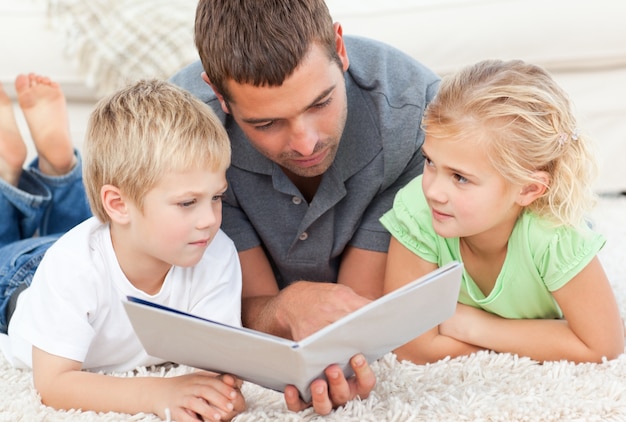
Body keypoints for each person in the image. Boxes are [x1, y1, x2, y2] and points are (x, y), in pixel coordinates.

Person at [170, 0, 440, 413]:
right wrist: (286, 306)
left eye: (320, 103)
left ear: (340, 47)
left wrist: (333, 352)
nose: (305, 143)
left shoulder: (414, 116)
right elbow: (236, 308)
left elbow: (353, 313)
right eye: (266, 124)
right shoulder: (187, 132)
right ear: (218, 94)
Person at [0, 75, 246, 422]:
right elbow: (53, 385)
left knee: (80, 229)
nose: (209, 219)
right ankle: (14, 172)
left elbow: (215, 368)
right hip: (20, 278)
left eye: (216, 197)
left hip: (112, 237)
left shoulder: (215, 254)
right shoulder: (72, 267)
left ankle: (58, 170)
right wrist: (156, 392)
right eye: (188, 202)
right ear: (117, 204)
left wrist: (217, 395)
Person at [380, 59, 625, 365]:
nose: (433, 191)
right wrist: (542, 341)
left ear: (527, 189)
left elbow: (603, 346)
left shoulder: (555, 236)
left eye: (460, 177)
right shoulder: (418, 209)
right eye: (430, 162)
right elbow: (410, 345)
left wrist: (472, 325)